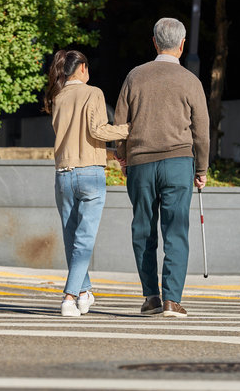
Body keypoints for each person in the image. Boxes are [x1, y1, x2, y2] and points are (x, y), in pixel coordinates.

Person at [114, 17, 210, 318]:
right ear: (181, 46)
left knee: (143, 229)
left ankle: (151, 298)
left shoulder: (134, 76)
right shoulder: (190, 81)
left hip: (141, 162)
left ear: (154, 42)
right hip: (179, 163)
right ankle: (172, 300)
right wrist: (202, 168)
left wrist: (122, 157)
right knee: (176, 231)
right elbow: (202, 131)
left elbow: (120, 124)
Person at [44, 49, 130, 317]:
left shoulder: (57, 97)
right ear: (81, 67)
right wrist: (130, 129)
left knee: (73, 239)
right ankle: (69, 297)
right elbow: (98, 130)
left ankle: (84, 292)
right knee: (84, 239)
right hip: (90, 172)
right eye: (87, 67)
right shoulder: (93, 92)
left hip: (63, 174)